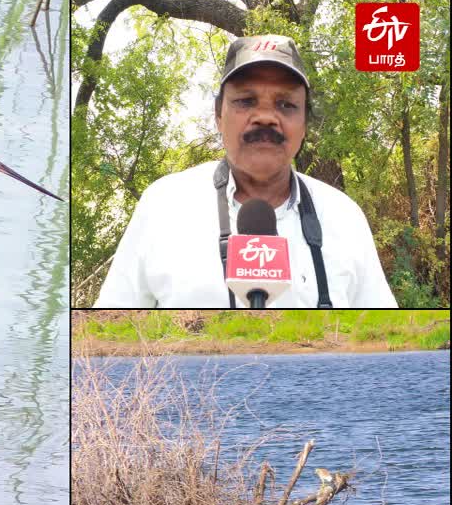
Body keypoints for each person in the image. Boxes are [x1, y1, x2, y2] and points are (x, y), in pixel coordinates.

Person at [95, 35, 396, 308]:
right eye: (246, 101)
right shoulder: (163, 204)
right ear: (218, 116)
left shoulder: (345, 216)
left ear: (305, 124)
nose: (265, 117)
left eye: (286, 104)